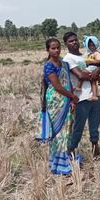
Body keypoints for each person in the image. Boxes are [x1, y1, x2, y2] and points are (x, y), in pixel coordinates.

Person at [36, 38, 79, 175]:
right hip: (55, 100)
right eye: (53, 48)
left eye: (58, 48)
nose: (56, 50)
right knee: (58, 132)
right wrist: (72, 96)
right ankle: (57, 162)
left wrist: (72, 99)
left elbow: (69, 84)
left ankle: (66, 158)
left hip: (66, 99)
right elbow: (57, 86)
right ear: (47, 50)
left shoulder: (64, 64)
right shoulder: (49, 66)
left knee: (67, 130)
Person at [63, 31, 100, 157]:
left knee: (94, 125)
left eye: (75, 40)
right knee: (78, 127)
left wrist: (99, 70)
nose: (74, 42)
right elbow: (80, 74)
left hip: (94, 95)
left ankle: (95, 149)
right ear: (66, 44)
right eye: (70, 41)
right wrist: (95, 73)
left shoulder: (85, 55)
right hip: (80, 98)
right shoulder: (68, 59)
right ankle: (71, 151)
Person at [81, 35, 100, 101]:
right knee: (93, 82)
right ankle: (94, 95)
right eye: (90, 45)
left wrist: (91, 62)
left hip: (93, 68)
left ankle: (79, 87)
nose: (91, 47)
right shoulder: (88, 53)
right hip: (91, 68)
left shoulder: (96, 53)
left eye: (93, 45)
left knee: (82, 73)